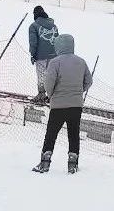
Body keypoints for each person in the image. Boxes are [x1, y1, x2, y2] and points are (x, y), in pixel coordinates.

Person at [33, 34, 92, 174]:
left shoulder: (55, 62)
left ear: (58, 46)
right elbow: (88, 81)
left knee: (51, 134)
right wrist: (78, 91)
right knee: (73, 134)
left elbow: (48, 84)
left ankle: (45, 163)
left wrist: (52, 95)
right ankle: (73, 164)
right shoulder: (81, 62)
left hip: (58, 105)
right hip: (76, 106)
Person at [29, 6, 59, 104]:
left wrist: (33, 55)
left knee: (41, 75)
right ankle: (52, 96)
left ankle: (41, 94)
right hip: (54, 55)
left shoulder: (33, 26)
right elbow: (58, 41)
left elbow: (33, 42)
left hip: (40, 56)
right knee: (51, 75)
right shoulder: (54, 26)